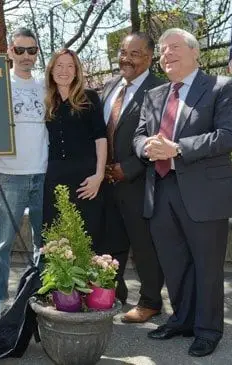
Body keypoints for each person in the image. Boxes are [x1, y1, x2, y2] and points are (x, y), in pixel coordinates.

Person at [133, 28, 232, 357]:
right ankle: (182, 319)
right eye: (163, 50)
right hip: (161, 190)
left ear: (195, 52)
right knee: (174, 262)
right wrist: (145, 148)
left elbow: (228, 136)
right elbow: (139, 134)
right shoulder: (154, 95)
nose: (167, 54)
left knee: (207, 265)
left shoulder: (221, 87)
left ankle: (208, 330)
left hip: (204, 193)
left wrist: (177, 148)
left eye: (175, 47)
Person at [0, 28, 48, 322]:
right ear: (9, 51)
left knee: (44, 244)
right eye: (20, 50)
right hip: (9, 174)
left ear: (37, 53)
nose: (26, 56)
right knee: (2, 244)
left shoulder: (45, 87)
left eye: (31, 50)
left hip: (43, 173)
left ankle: (39, 296)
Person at [101, 32, 165, 322]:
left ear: (150, 57)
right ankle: (113, 293)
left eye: (135, 54)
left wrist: (129, 167)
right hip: (105, 182)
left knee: (144, 245)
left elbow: (160, 137)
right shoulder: (110, 86)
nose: (126, 58)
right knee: (111, 241)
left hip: (140, 181)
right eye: (123, 52)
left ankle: (150, 301)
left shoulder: (160, 90)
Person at [42, 48, 107, 253]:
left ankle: (89, 286)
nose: (65, 70)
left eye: (70, 66)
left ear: (77, 71)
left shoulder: (89, 98)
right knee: (58, 241)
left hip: (85, 179)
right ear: (51, 70)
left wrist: (99, 175)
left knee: (87, 240)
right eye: (59, 65)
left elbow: (101, 138)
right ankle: (61, 286)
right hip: (54, 179)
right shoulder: (46, 101)